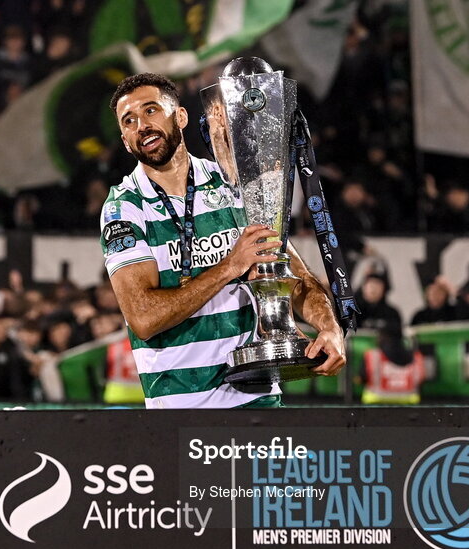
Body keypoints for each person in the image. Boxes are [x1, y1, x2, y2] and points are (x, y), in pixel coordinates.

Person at [100, 72, 345, 408]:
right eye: (129, 121)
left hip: (256, 399)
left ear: (181, 116)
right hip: (181, 411)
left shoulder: (232, 185)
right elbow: (143, 318)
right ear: (126, 140)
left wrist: (329, 328)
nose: (141, 125)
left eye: (151, 110)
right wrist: (231, 266)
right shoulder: (124, 208)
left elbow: (291, 274)